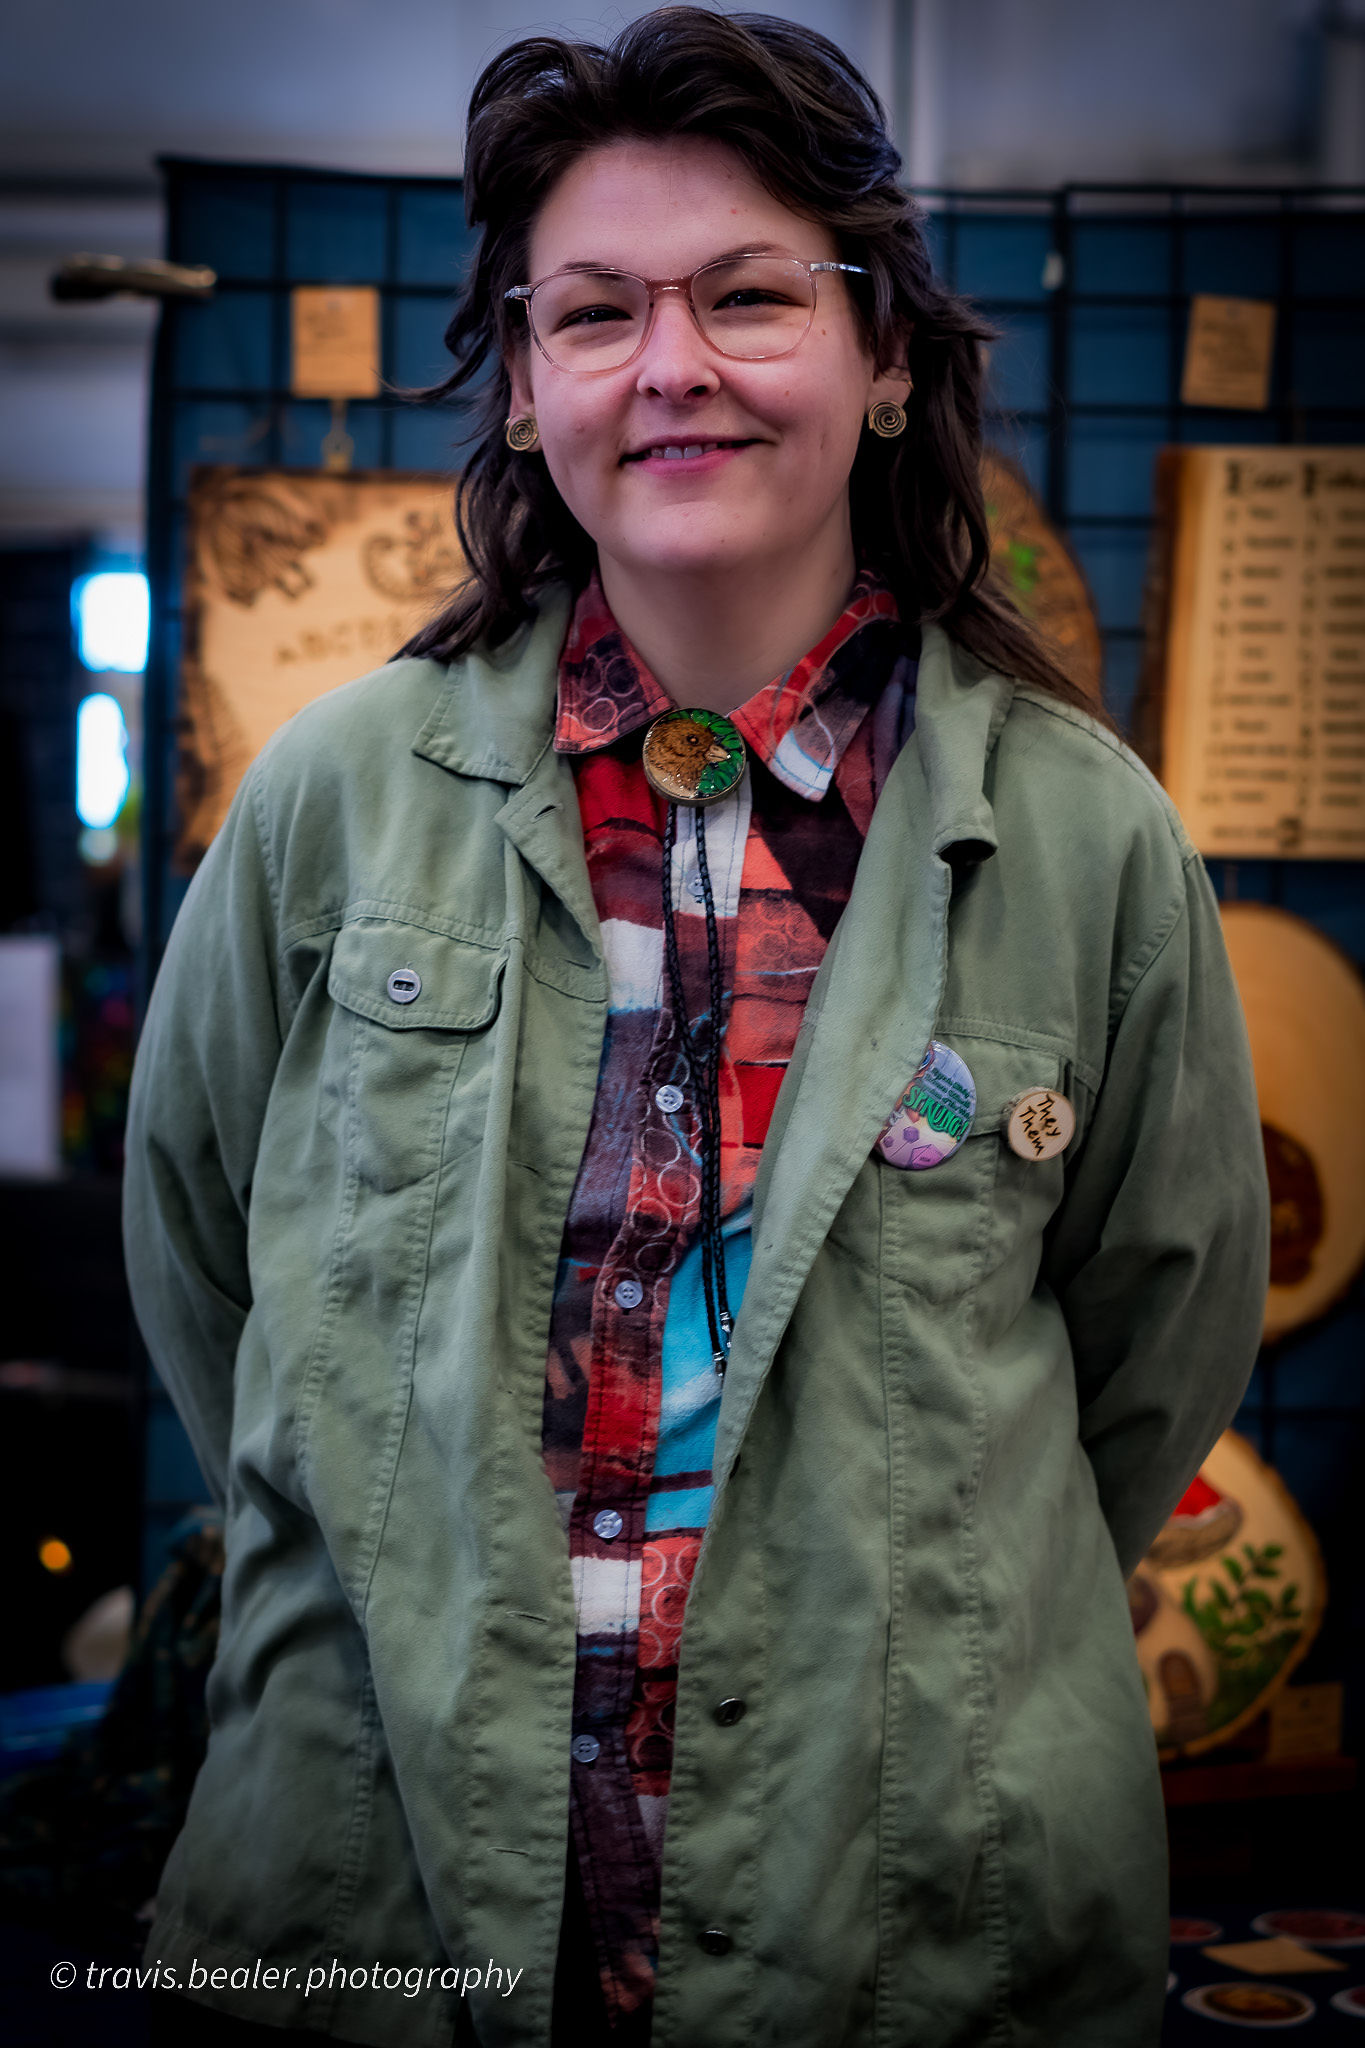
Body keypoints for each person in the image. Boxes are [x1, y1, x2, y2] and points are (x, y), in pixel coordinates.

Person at [123, 10, 1269, 2046]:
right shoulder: (329, 805)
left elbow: (1151, 1352)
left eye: (747, 296)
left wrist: (906, 1603)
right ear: (523, 382)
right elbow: (210, 1272)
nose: (670, 365)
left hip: (911, 1927)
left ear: (885, 356)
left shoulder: (1086, 839)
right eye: (592, 313)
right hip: (379, 1899)